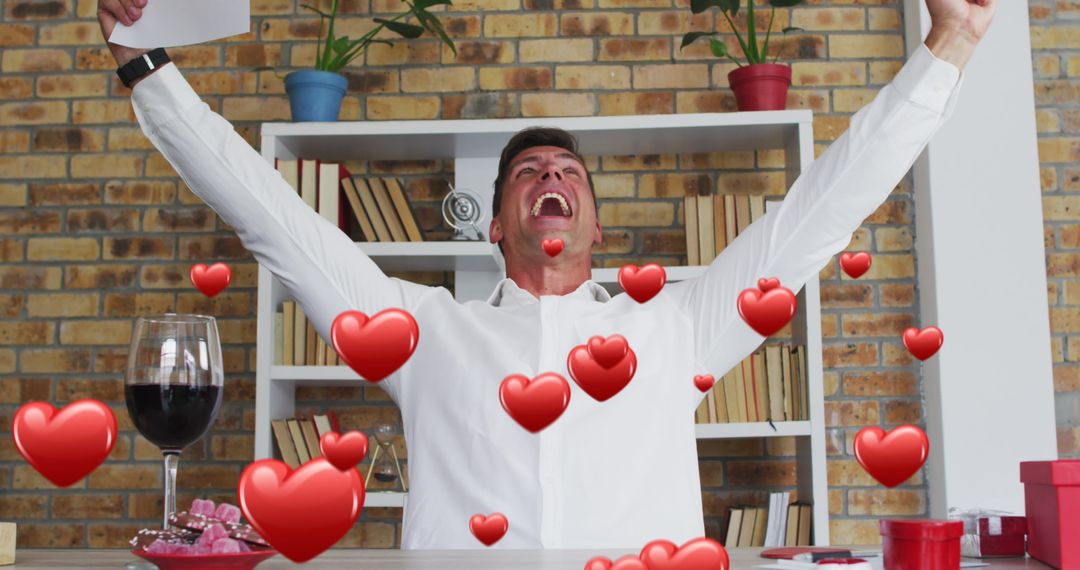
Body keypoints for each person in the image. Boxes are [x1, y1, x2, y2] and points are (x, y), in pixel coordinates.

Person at [98, 0, 996, 550]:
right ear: (496, 225)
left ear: (597, 225)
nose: (552, 179)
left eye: (569, 173)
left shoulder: (679, 328)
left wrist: (947, 45)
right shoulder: (422, 332)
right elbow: (275, 219)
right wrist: (146, 68)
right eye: (529, 173)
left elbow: (819, 213)